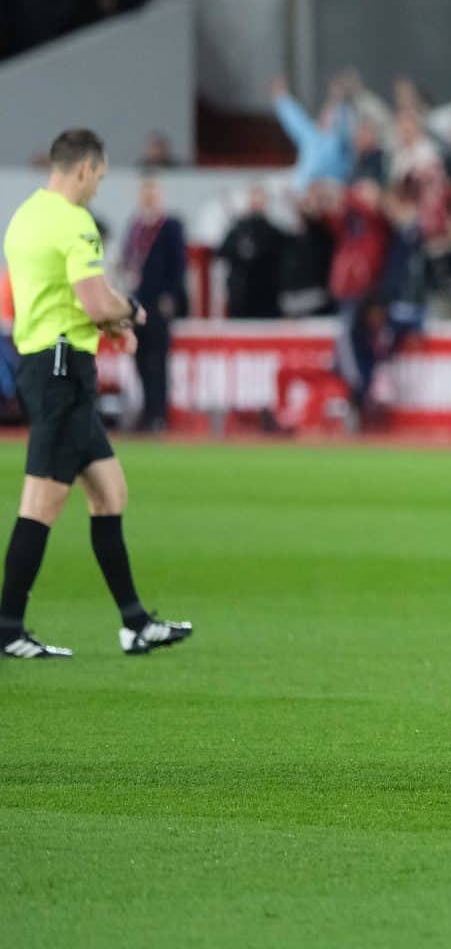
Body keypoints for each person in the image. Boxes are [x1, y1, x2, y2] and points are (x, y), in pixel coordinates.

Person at [2, 129, 192, 659]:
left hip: (45, 363)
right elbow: (92, 301)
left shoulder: (25, 217)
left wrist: (106, 325)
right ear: (84, 169)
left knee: (109, 491)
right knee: (42, 503)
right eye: (100, 177)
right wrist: (129, 312)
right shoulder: (74, 222)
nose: (98, 187)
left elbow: (57, 298)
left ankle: (135, 624)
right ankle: (8, 627)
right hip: (63, 373)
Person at [121, 176, 187, 432]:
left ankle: (158, 414)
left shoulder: (170, 225)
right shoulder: (136, 226)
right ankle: (147, 410)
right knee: (139, 356)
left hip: (158, 301)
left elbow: (179, 264)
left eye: (152, 191)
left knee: (157, 359)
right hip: (137, 301)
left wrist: (171, 295)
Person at [221, 187, 287, 318]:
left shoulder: (273, 232)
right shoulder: (237, 230)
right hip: (241, 298)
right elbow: (223, 252)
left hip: (267, 298)